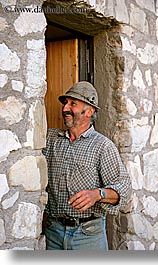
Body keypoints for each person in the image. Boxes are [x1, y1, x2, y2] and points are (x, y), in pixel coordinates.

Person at [42, 81, 131, 250]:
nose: (65, 108)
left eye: (73, 103)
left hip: (88, 236)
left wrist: (98, 194)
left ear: (89, 111)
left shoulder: (103, 146)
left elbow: (124, 189)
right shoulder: (51, 139)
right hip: (53, 233)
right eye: (65, 103)